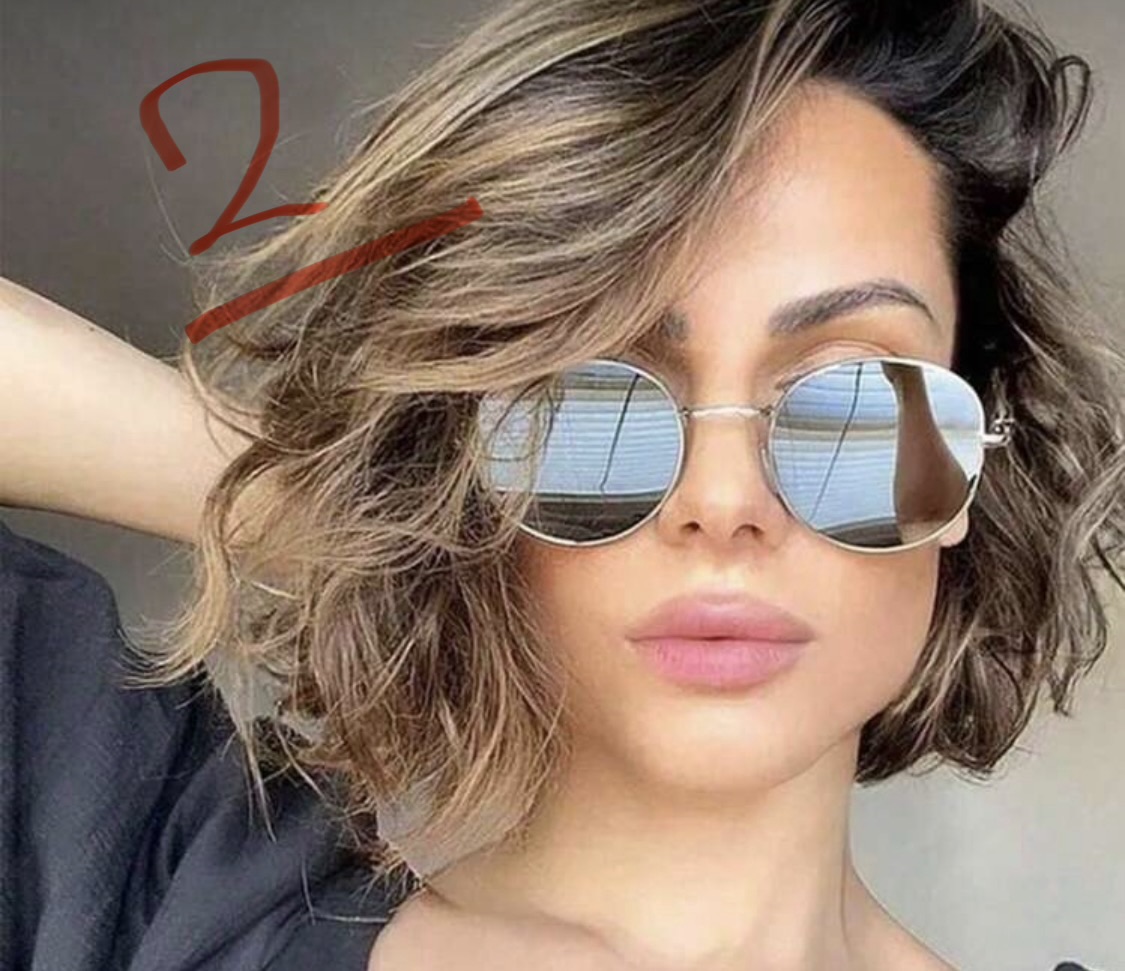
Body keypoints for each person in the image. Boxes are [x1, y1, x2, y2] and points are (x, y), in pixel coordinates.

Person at [3, 0, 1122, 968]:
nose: (721, 502)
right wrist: (356, 508)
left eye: (851, 396)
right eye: (596, 399)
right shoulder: (149, 898)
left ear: (973, 450)